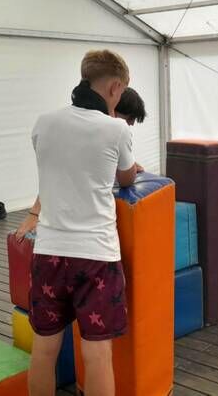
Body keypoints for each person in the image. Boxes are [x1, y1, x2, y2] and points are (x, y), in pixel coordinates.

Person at [17, 50, 136, 396]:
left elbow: (55, 171)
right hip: (96, 256)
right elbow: (126, 178)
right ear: (115, 87)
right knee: (97, 355)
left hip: (49, 253)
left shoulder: (44, 123)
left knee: (43, 350)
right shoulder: (116, 129)